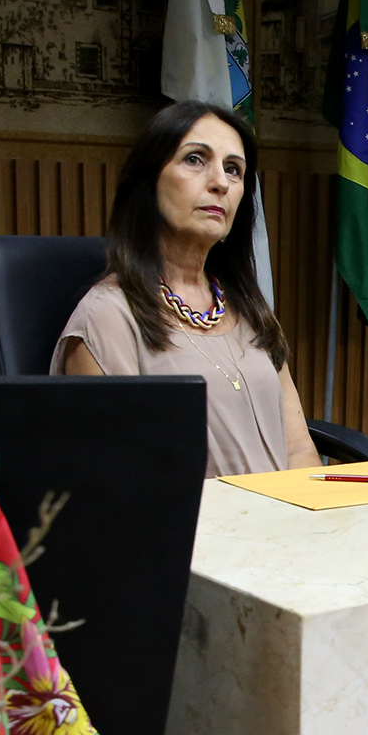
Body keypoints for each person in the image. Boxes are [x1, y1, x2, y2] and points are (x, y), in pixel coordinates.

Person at [56, 100, 317, 477]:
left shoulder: (248, 305)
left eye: (234, 169)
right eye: (195, 159)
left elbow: (298, 448)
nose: (220, 182)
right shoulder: (107, 316)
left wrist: (298, 509)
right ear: (148, 181)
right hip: (191, 516)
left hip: (281, 510)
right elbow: (122, 480)